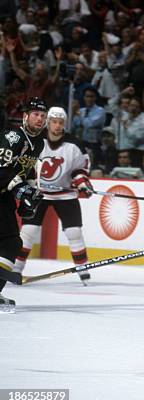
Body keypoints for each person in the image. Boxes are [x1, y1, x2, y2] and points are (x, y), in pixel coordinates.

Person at [13, 107, 93, 285]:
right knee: (28, 231)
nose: (57, 126)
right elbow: (25, 164)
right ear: (48, 122)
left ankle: (83, 269)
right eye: (54, 121)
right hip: (39, 193)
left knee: (74, 232)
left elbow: (79, 170)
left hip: (65, 195)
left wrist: (81, 183)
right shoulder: (35, 141)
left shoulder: (74, 145)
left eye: (61, 122)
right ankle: (16, 269)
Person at [0, 98, 48, 312]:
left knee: (11, 243)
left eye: (43, 116)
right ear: (25, 116)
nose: (40, 119)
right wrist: (21, 190)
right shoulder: (13, 137)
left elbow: (27, 170)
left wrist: (31, 189)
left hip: (3, 197)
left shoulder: (39, 143)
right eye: (36, 114)